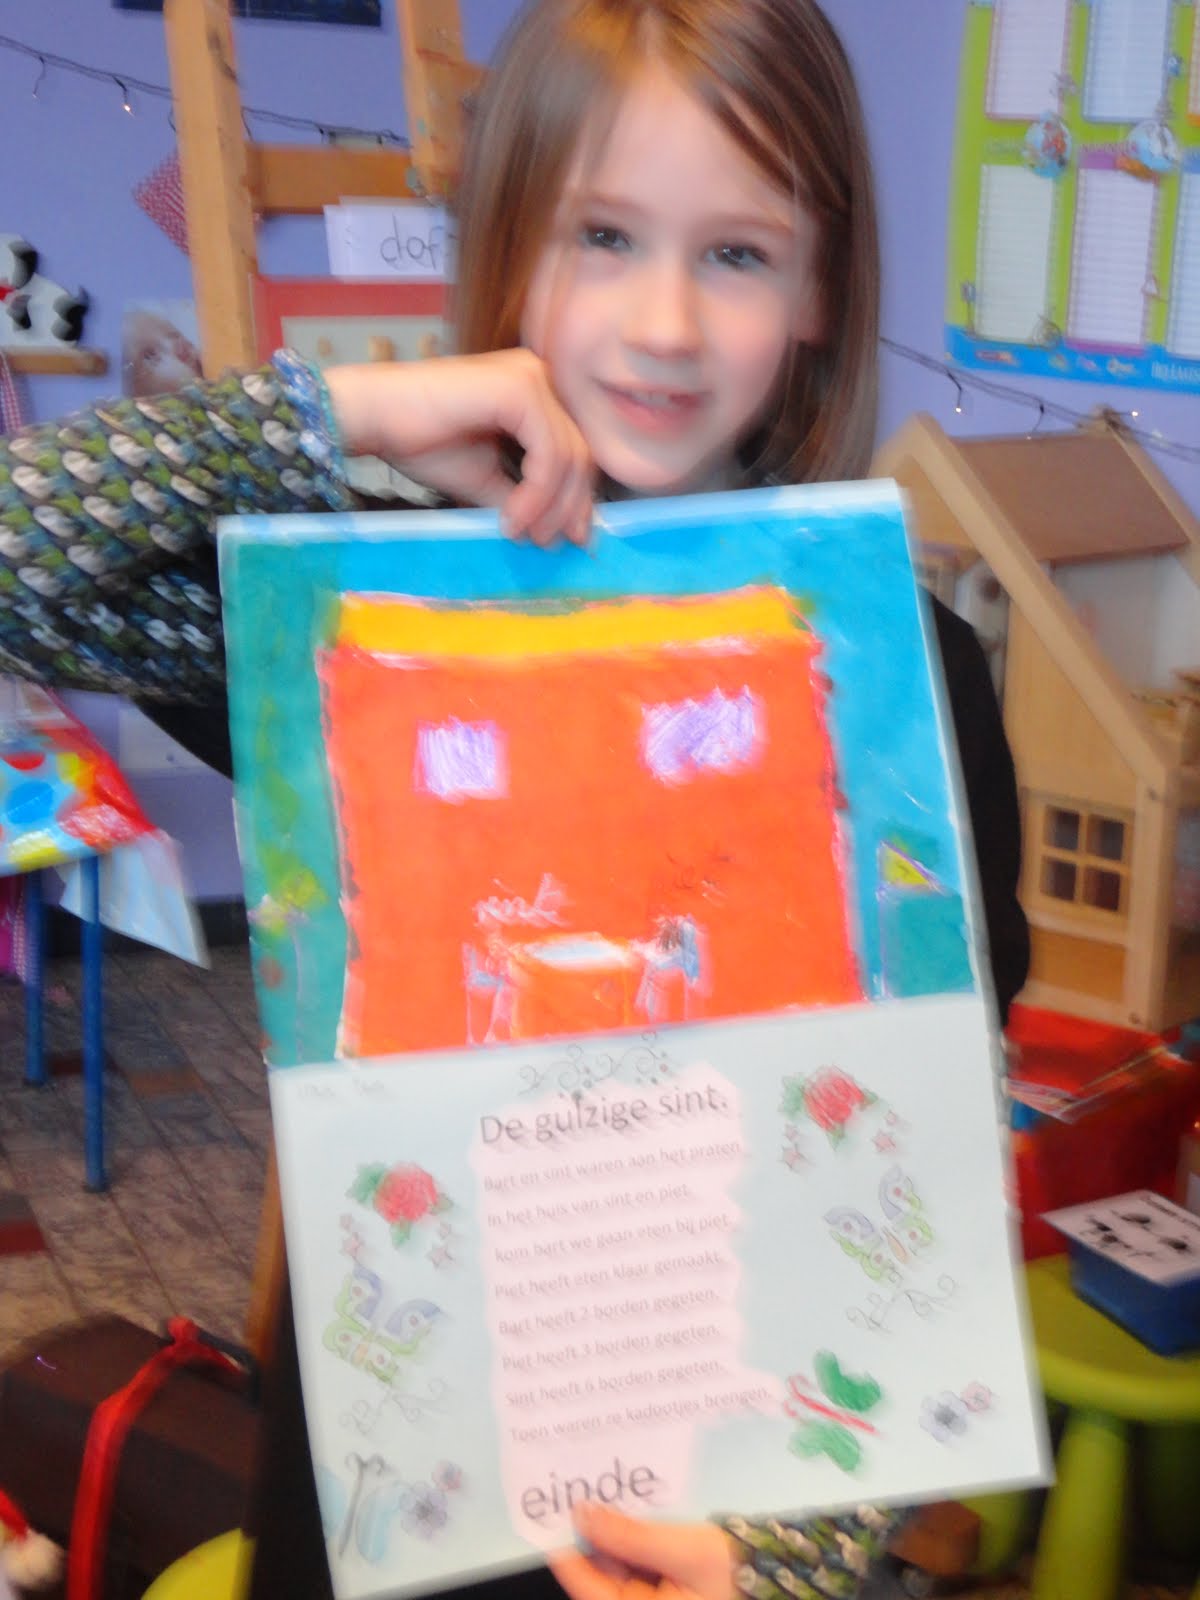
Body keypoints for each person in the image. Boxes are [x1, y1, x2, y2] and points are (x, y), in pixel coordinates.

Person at [0, 1, 1028, 1596]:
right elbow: (21, 564)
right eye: (603, 235)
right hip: (395, 1480)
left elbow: (928, 1158)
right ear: (507, 249)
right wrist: (331, 415)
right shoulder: (359, 605)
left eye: (738, 254)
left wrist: (782, 1562)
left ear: (820, 287)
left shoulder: (901, 664)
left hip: (710, 1482)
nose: (665, 323)